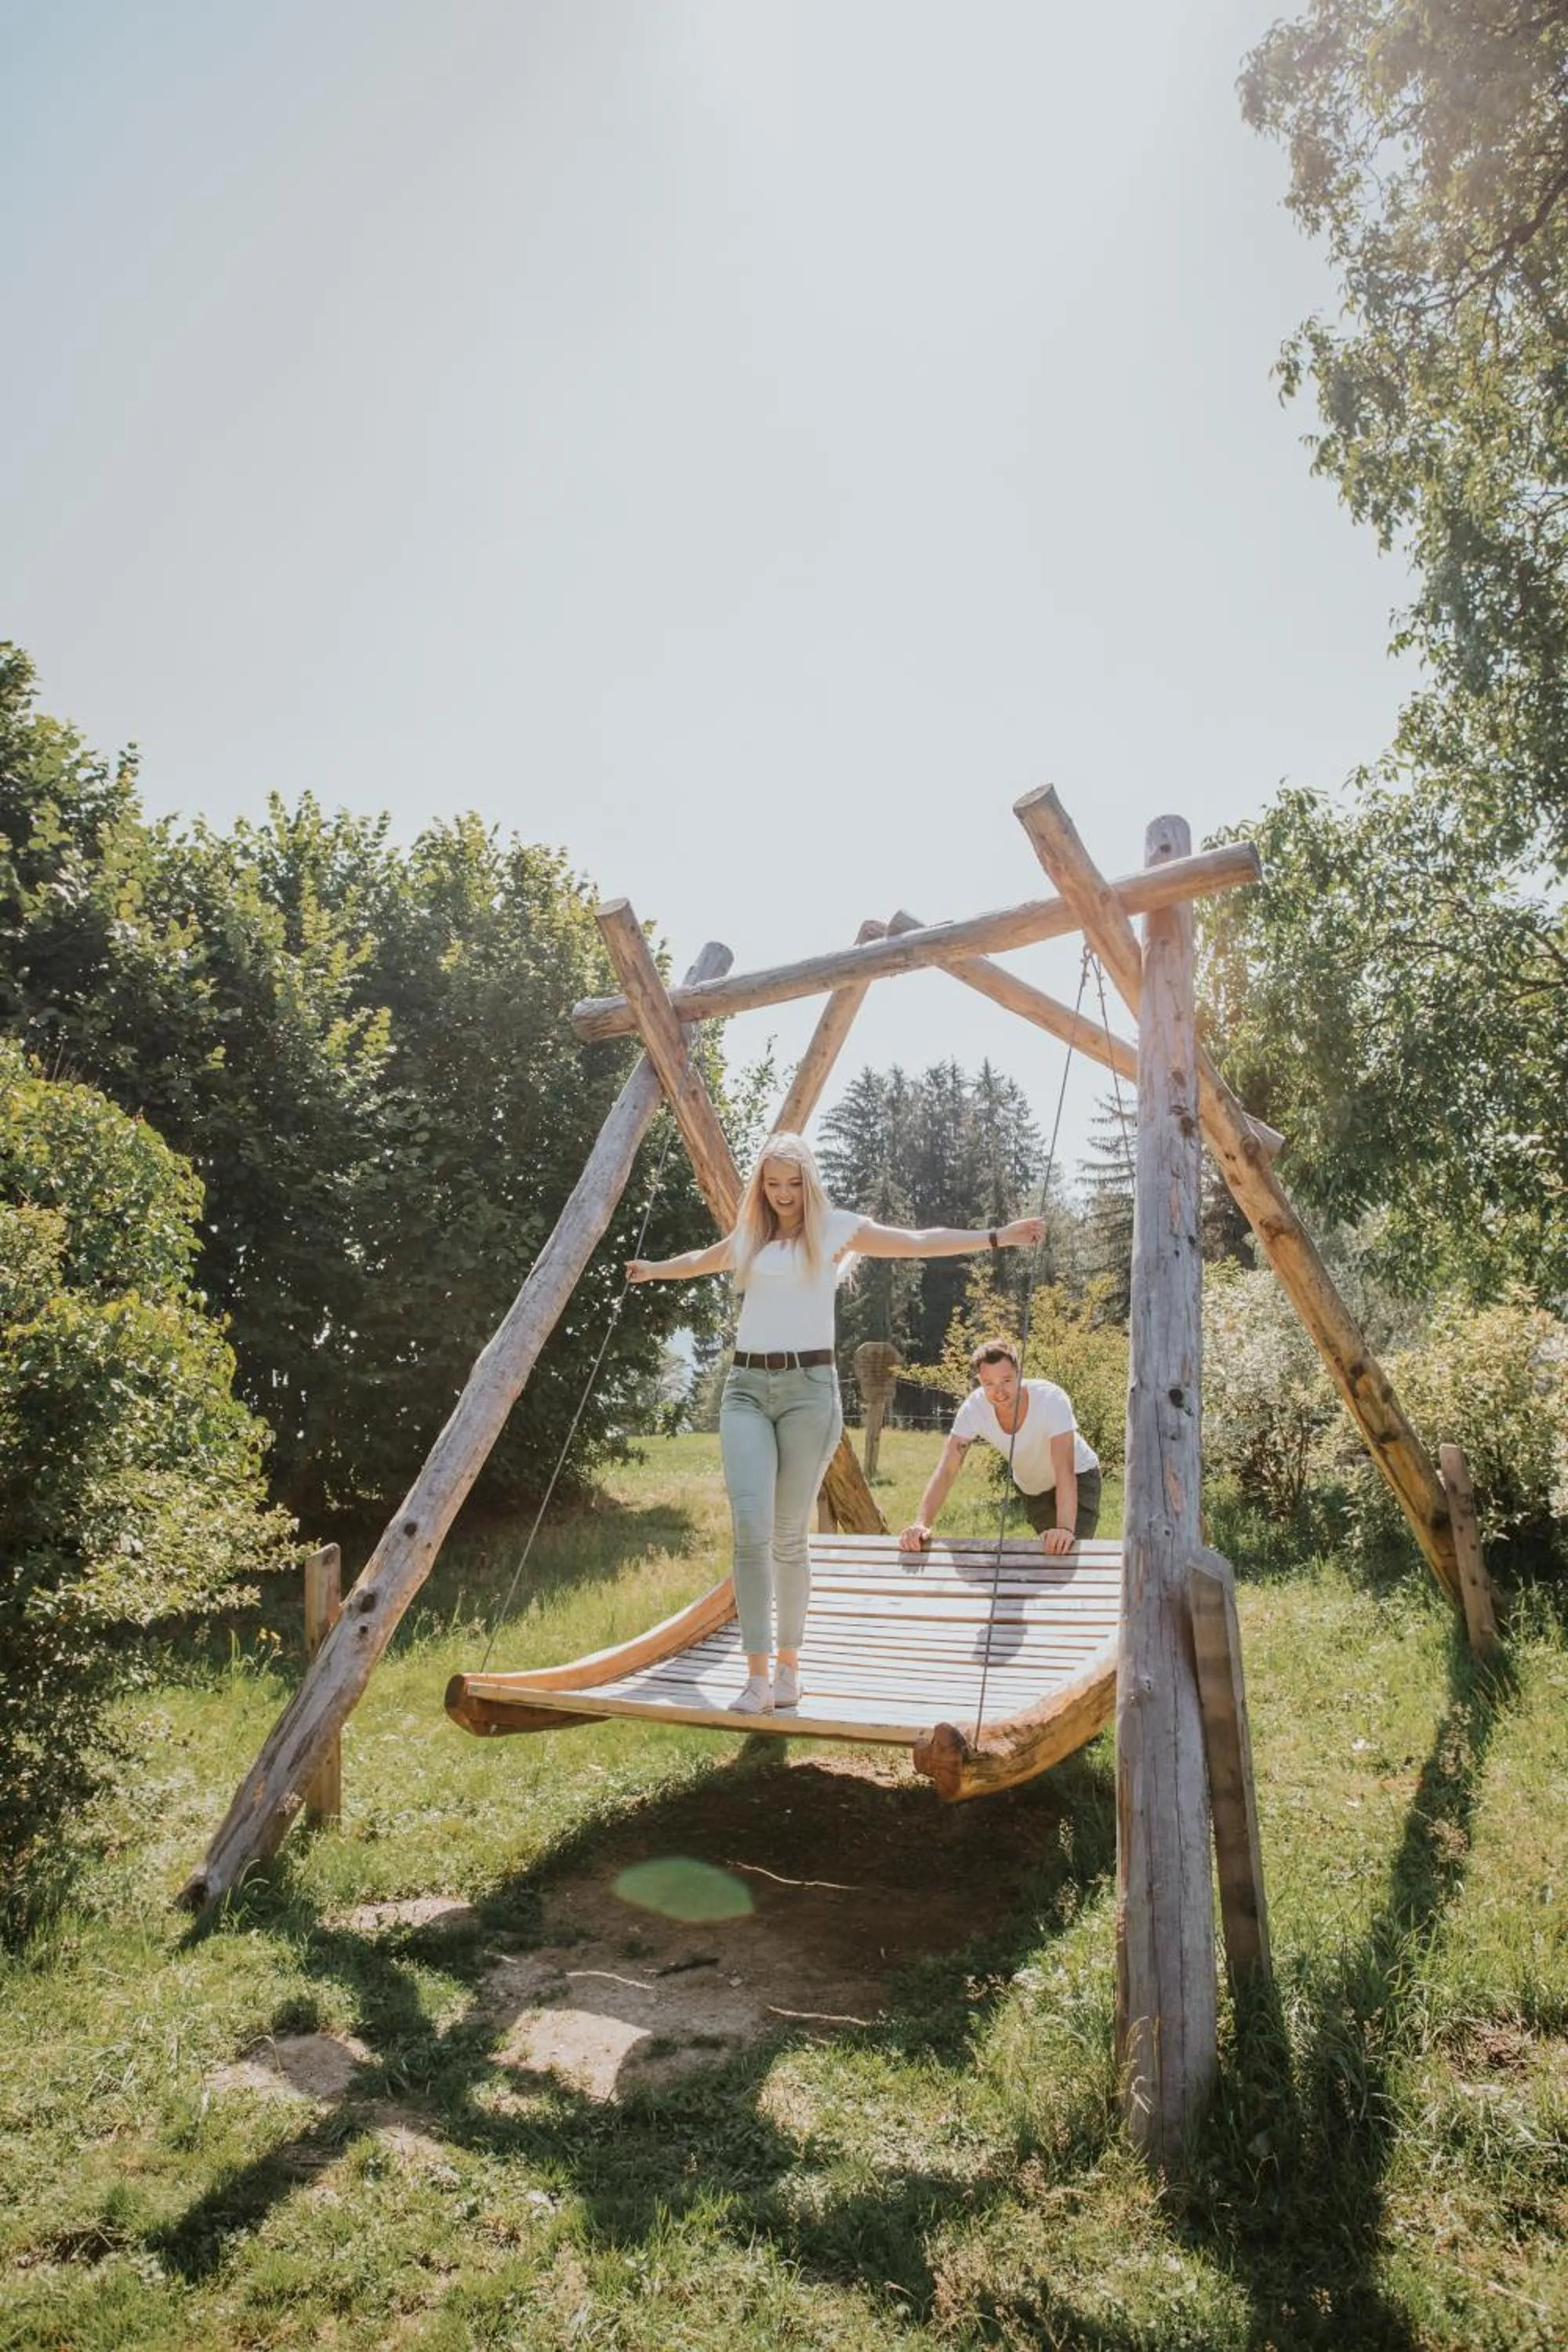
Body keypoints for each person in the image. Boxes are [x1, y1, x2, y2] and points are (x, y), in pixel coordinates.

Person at [627, 1134, 1044, 1715]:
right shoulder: (751, 1235)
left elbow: (918, 1242)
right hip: (745, 1388)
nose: (783, 1196)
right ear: (761, 1186)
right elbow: (702, 1259)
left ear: (809, 1182)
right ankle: (754, 1678)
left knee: (789, 1533)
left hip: (809, 1392)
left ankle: (788, 1669)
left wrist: (997, 1236)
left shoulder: (834, 1229)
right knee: (751, 1528)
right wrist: (650, 1270)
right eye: (772, 1185)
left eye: (793, 1185)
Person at [898, 1337, 1101, 1556]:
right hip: (1032, 1488)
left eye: (1006, 1380)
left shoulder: (1051, 1399)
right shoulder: (974, 1409)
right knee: (1048, 1557)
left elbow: (1064, 1469)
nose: (1000, 1391)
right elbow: (947, 1469)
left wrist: (1064, 1529)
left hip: (1078, 1477)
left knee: (1067, 1551)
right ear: (980, 1381)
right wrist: (921, 1523)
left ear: (1019, 1373)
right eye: (989, 1384)